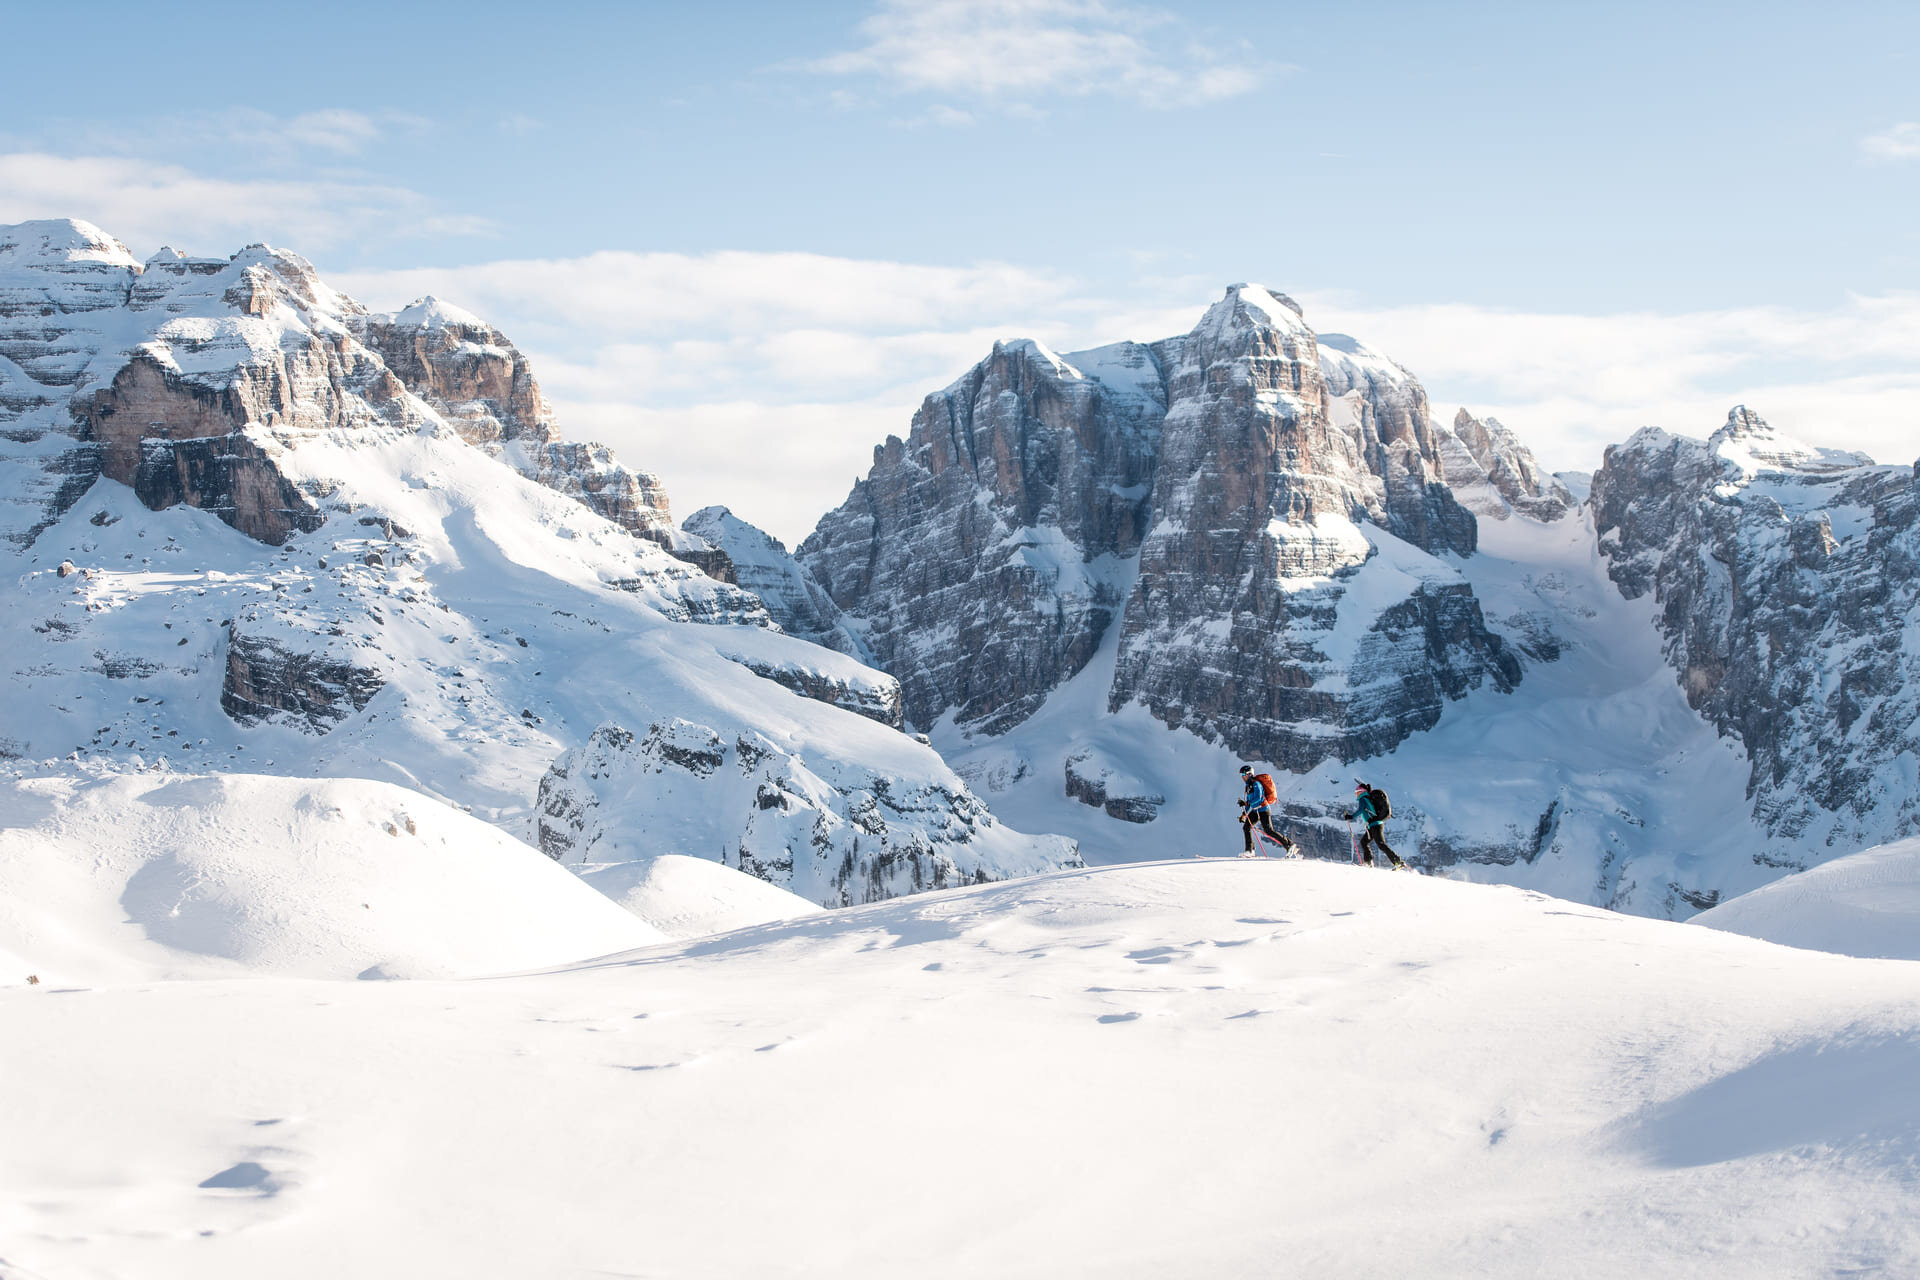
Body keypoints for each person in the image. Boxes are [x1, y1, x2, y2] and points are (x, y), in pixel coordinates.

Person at [1345, 780, 1406, 869]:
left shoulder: (1363, 799)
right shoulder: (1367, 798)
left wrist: (1351, 816)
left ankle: (1398, 862)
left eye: (1357, 792)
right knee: (1364, 842)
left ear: (1361, 792)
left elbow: (1361, 810)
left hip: (1375, 825)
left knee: (1381, 844)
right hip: (1373, 825)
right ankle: (1368, 864)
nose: (1356, 794)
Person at [1237, 764, 1295, 856]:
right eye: (1242, 775)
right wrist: (1243, 815)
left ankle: (1289, 844)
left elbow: (1258, 798)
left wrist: (1246, 803)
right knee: (1246, 827)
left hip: (1263, 810)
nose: (1242, 777)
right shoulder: (1248, 786)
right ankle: (1250, 851)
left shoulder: (1256, 784)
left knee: (1269, 830)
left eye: (1244, 775)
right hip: (1255, 811)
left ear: (1249, 774)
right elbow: (1249, 802)